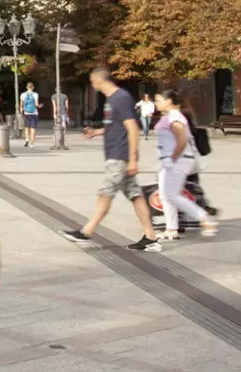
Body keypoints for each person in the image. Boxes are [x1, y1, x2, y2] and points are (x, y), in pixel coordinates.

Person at [65, 68, 162, 250]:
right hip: (115, 153)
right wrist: (97, 132)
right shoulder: (111, 100)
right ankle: (151, 238)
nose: (92, 84)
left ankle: (87, 231)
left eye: (93, 80)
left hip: (120, 155)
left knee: (105, 192)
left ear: (100, 80)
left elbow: (133, 128)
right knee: (135, 195)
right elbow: (115, 125)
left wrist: (133, 158)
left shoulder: (121, 98)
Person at [153, 89, 216, 239]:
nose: (156, 103)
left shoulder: (175, 116)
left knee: (171, 195)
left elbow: (181, 139)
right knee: (165, 196)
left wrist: (172, 158)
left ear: (168, 101)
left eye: (159, 100)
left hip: (177, 161)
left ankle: (205, 218)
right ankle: (171, 229)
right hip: (170, 160)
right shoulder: (171, 116)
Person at [19, 83, 39, 148]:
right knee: (33, 129)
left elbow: (21, 105)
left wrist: (22, 112)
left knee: (27, 128)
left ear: (27, 87)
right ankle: (32, 144)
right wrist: (39, 106)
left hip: (26, 113)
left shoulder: (22, 95)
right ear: (33, 87)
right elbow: (36, 104)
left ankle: (27, 139)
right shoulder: (35, 94)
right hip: (34, 113)